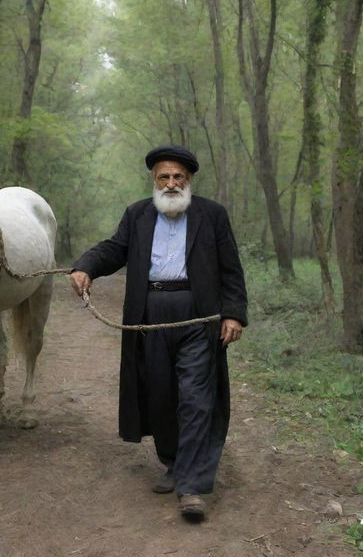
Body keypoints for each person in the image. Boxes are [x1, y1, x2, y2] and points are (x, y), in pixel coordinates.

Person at [70, 145, 247, 522]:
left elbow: (231, 268)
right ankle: (174, 463)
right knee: (160, 395)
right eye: (164, 177)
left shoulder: (212, 215)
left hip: (199, 316)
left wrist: (234, 314)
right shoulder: (137, 214)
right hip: (150, 315)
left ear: (189, 180)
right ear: (154, 179)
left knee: (196, 398)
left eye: (178, 177)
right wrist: (85, 266)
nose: (171, 184)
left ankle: (193, 486)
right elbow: (114, 250)